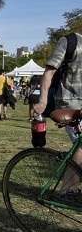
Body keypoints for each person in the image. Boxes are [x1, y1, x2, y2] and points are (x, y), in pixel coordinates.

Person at [35, 32, 82, 166]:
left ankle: (69, 186)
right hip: (70, 103)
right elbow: (49, 72)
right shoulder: (70, 41)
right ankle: (68, 188)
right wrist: (42, 101)